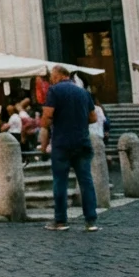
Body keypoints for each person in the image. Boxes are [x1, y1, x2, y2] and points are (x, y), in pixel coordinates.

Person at [41, 65, 100, 232]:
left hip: (62, 143)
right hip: (82, 141)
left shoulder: (54, 91)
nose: (51, 79)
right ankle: (91, 221)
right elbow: (93, 117)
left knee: (60, 182)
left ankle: (60, 221)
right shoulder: (83, 92)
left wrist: (45, 138)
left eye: (52, 76)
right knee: (86, 181)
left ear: (59, 75)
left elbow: (47, 117)